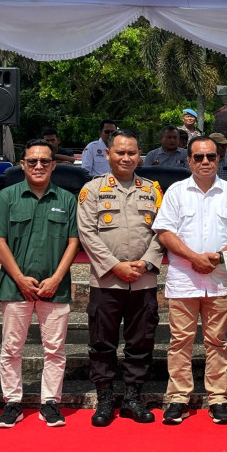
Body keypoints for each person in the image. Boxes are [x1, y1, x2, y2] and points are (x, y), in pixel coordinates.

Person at [152, 136, 227, 425]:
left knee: (217, 342)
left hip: (219, 279)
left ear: (218, 159)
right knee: (179, 341)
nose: (205, 162)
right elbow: (165, 233)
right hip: (184, 280)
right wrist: (194, 257)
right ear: (189, 160)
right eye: (199, 157)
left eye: (210, 157)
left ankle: (218, 397)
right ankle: (178, 398)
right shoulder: (176, 193)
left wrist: (218, 256)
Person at [77, 130, 164, 427]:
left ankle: (132, 397)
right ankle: (105, 398)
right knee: (102, 342)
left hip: (143, 280)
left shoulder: (153, 190)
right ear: (108, 155)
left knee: (141, 342)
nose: (126, 158)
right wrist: (115, 266)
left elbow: (161, 232)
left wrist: (145, 262)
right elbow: (87, 234)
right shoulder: (91, 190)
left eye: (131, 153)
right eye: (120, 152)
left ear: (140, 155)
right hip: (106, 282)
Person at [0, 139, 80, 429]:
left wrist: (56, 278)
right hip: (15, 286)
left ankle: (50, 402)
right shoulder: (7, 197)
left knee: (55, 349)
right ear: (22, 164)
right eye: (32, 161)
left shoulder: (67, 200)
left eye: (44, 161)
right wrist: (18, 277)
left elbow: (74, 242)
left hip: (55, 287)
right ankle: (12, 402)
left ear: (54, 165)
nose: (38, 166)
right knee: (11, 348)